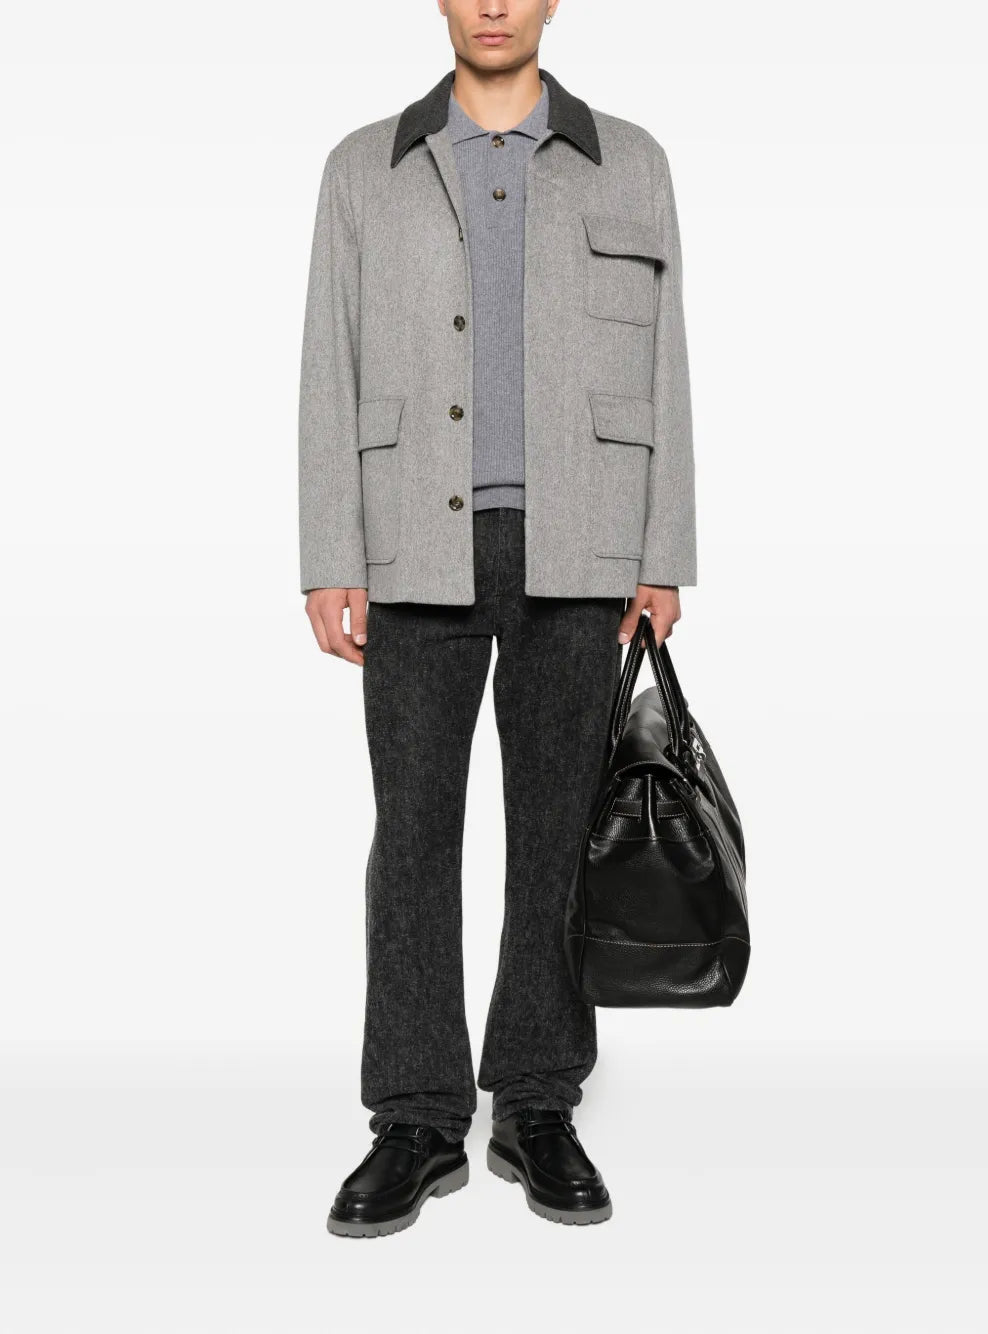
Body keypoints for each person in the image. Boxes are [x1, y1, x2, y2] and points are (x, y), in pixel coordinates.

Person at [299, 0, 696, 1237]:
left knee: (555, 834)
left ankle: (535, 1100)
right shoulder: (364, 165)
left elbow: (669, 362)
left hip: (581, 539)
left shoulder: (629, 159)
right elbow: (327, 362)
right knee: (413, 833)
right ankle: (416, 1116)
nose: (491, 5)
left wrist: (663, 550)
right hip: (412, 537)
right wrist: (329, 552)